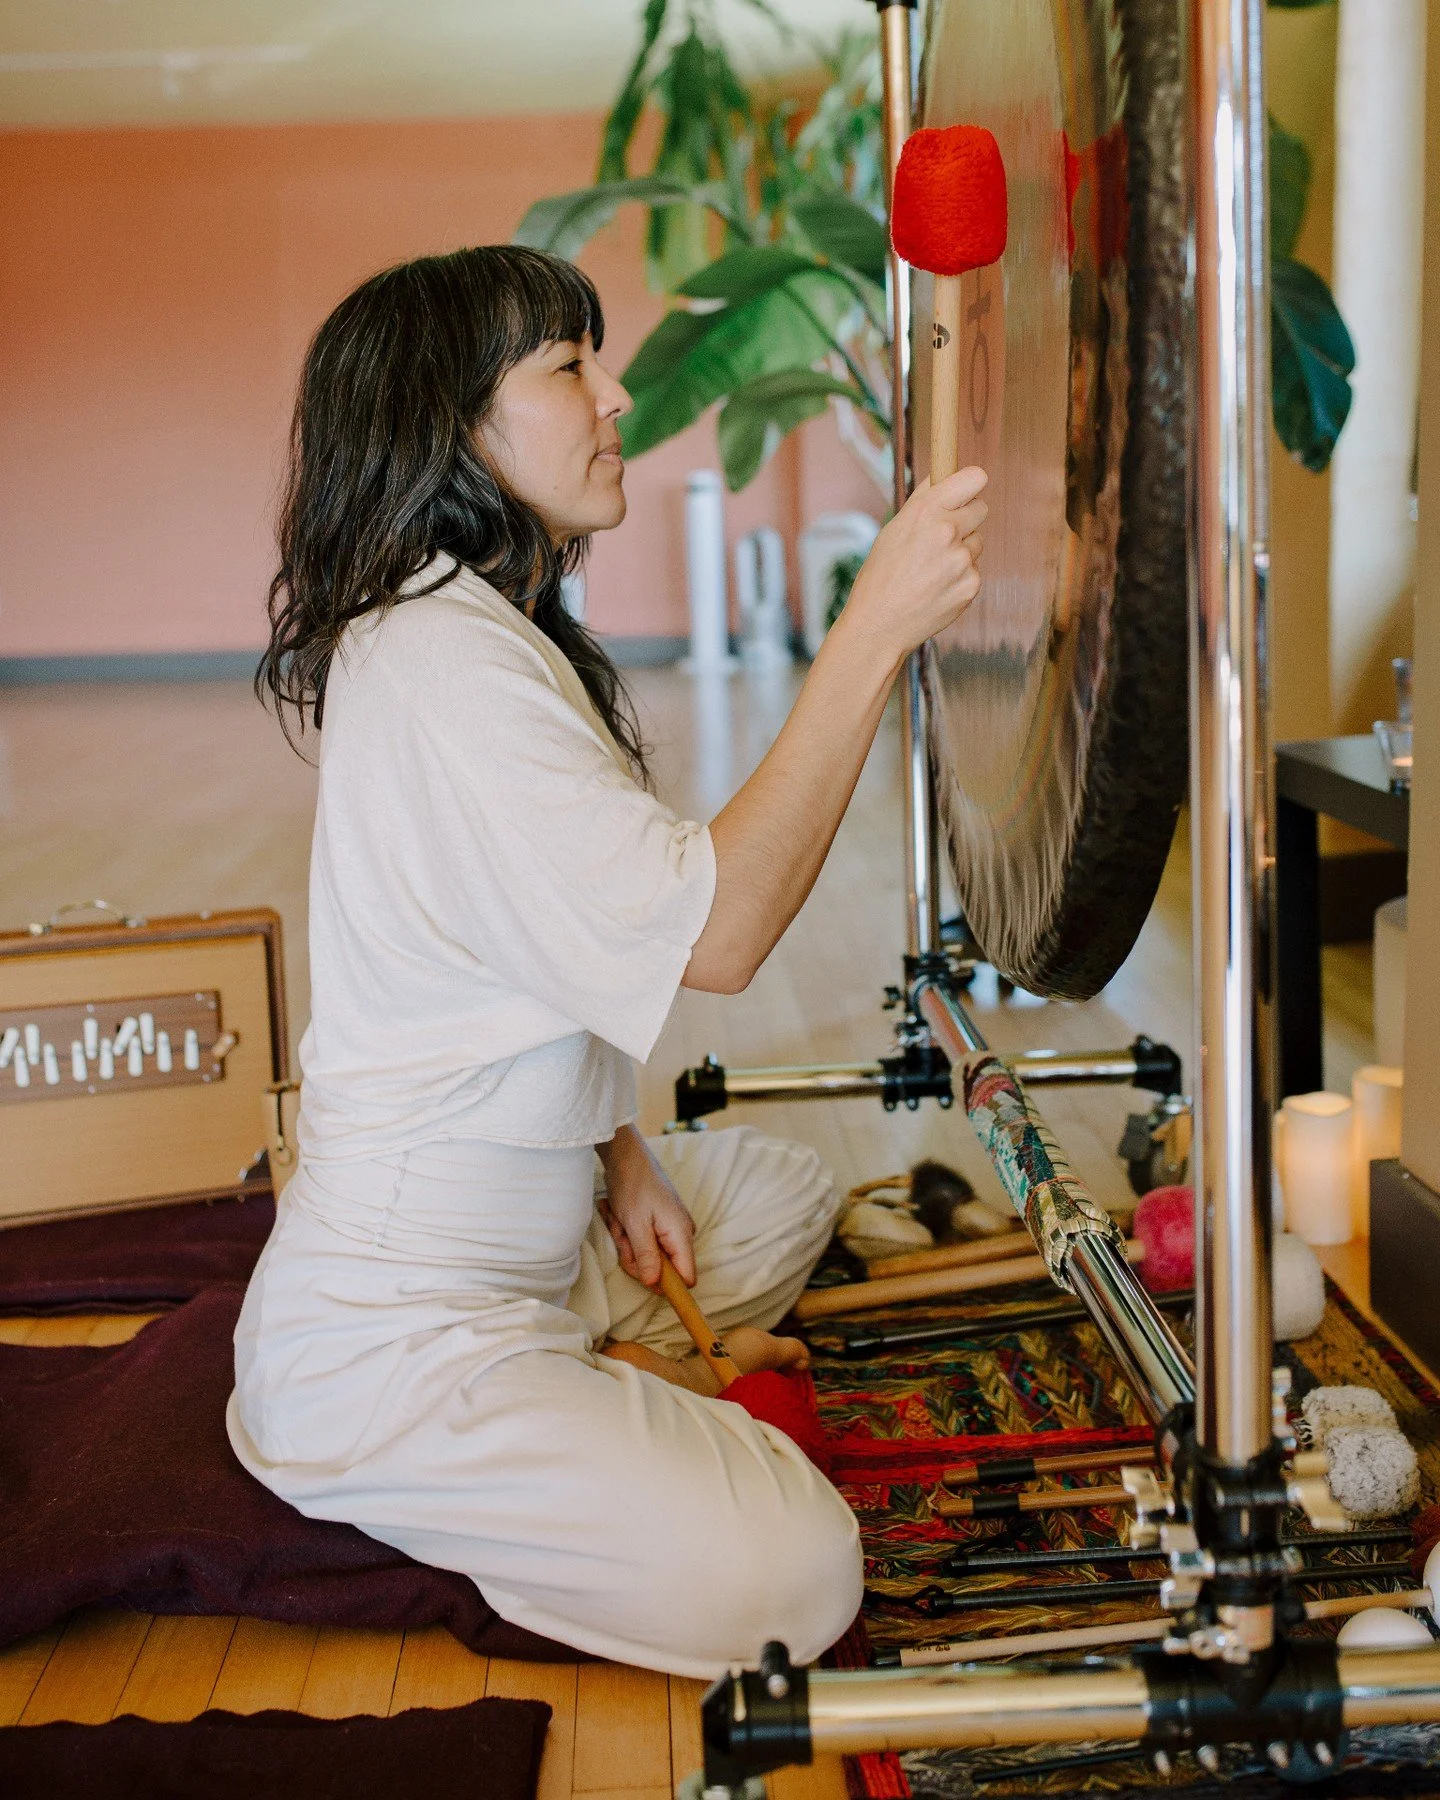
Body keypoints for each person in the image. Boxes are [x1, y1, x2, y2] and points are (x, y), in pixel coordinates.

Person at [228, 244, 986, 1678]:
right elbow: (717, 933)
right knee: (797, 1575)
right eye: (570, 366)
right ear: (451, 425)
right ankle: (575, 1404)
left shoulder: (482, 630)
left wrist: (619, 1149)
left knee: (779, 1195)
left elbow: (538, 953)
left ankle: (598, 1377)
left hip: (542, 1239)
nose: (619, 393)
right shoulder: (446, 669)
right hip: (402, 1337)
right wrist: (870, 631)